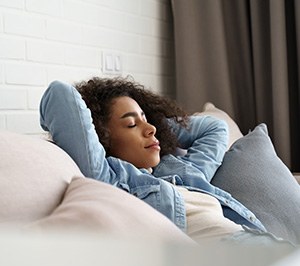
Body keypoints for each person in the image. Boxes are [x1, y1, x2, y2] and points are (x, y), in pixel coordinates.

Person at [39, 77, 291, 246]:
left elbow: (214, 128)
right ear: (102, 137)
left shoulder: (184, 171)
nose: (149, 129)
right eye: (130, 124)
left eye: (146, 118)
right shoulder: (111, 177)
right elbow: (60, 95)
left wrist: (159, 125)